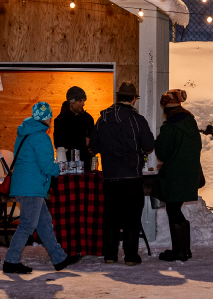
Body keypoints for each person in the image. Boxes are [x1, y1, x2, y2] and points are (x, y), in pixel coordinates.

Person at [2, 102, 81, 275]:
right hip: (31, 187)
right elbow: (46, 166)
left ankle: (59, 258)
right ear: (48, 118)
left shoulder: (25, 132)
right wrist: (59, 169)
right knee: (27, 225)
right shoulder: (40, 136)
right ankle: (11, 261)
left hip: (25, 184)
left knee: (44, 224)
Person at [90, 81, 155, 265]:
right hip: (131, 176)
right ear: (133, 99)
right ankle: (130, 257)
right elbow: (149, 146)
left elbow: (93, 146)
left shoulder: (102, 119)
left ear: (118, 98)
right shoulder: (137, 119)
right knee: (131, 218)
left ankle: (110, 255)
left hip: (110, 177)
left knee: (111, 217)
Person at [153, 89, 202, 262]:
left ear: (166, 108)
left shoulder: (171, 125)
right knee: (176, 209)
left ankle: (179, 252)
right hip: (190, 174)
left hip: (175, 175)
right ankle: (184, 249)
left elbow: (162, 152)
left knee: (173, 210)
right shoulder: (191, 122)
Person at [53, 86, 95, 167]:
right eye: (80, 101)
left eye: (84, 101)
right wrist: (83, 142)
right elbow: (59, 144)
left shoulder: (88, 119)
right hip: (68, 166)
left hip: (86, 165)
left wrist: (94, 148)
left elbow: (93, 138)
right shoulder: (61, 120)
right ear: (71, 102)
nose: (83, 104)